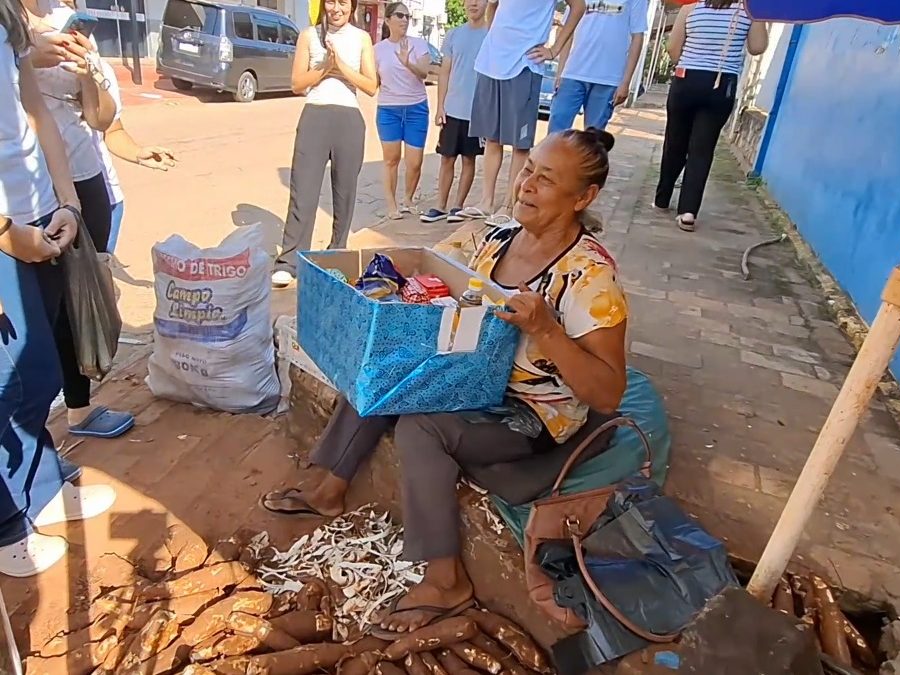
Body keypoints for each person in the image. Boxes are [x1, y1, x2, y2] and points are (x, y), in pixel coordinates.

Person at [262, 127, 628, 636]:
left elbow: (608, 392)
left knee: (421, 426)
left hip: (528, 412)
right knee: (385, 365)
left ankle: (444, 579)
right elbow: (426, 264)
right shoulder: (495, 236)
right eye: (527, 171)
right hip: (471, 378)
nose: (526, 185)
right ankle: (330, 485)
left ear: (583, 197)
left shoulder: (589, 278)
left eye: (546, 180)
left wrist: (546, 328)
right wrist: (376, 279)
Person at [0, 0, 116, 577]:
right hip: (5, 232)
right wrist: (5, 231)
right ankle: (6, 526)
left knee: (39, 373)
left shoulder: (10, 22)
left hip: (40, 213)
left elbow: (35, 110)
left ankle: (40, 485)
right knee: (8, 380)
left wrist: (64, 199)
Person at [23, 0, 135, 438]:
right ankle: (33, 435)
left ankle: (79, 408)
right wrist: (29, 60)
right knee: (41, 309)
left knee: (83, 301)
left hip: (84, 179)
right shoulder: (11, 25)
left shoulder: (65, 20)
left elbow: (101, 118)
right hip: (32, 186)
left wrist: (89, 75)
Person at [272, 0, 377, 288]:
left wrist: (340, 66)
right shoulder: (309, 35)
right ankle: (289, 261)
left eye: (343, 2)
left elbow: (370, 85)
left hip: (349, 119)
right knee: (302, 191)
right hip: (315, 115)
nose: (336, 8)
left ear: (352, 6)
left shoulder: (361, 38)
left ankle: (336, 255)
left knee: (345, 194)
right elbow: (297, 83)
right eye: (330, 1)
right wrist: (323, 68)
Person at [459, 0, 585, 226]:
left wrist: (554, 50)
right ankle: (486, 201)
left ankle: (510, 204)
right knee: (492, 138)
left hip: (523, 65)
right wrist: (495, 39)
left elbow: (578, 6)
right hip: (491, 63)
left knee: (519, 143)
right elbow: (492, 5)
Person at [653, 0, 767, 231]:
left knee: (675, 143)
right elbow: (757, 47)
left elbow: (673, 49)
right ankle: (688, 212)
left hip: (687, 79)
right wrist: (759, 15)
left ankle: (662, 199)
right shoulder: (748, 12)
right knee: (702, 150)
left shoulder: (690, 10)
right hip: (721, 83)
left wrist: (691, 62)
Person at [88, 58, 177, 253]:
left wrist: (137, 153)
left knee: (98, 273)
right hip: (49, 203)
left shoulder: (100, 69)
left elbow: (111, 130)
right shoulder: (17, 71)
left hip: (105, 198)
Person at [419, 0, 487, 224]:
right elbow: (444, 72)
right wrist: (440, 106)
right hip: (453, 108)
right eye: (470, 0)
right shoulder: (454, 35)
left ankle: (458, 206)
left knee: (469, 160)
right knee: (446, 158)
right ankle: (440, 206)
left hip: (477, 113)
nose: (474, 4)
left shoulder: (491, 35)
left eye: (479, 0)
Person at [549, 0, 647, 133]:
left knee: (594, 138)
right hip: (573, 74)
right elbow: (568, 31)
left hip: (608, 79)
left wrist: (625, 82)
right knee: (556, 131)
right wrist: (560, 72)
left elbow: (638, 37)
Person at [374, 2, 431, 220]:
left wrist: (408, 63)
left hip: (416, 108)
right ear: (388, 20)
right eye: (400, 15)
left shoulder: (419, 44)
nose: (405, 20)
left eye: (407, 16)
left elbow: (424, 73)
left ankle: (408, 199)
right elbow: (373, 80)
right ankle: (392, 205)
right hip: (389, 109)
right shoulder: (377, 50)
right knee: (391, 159)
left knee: (414, 162)